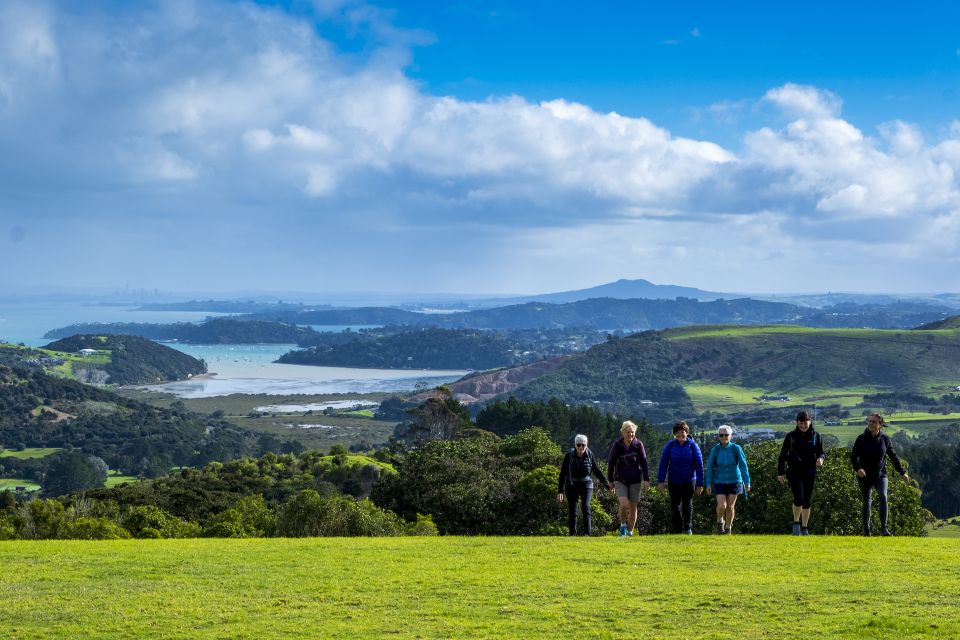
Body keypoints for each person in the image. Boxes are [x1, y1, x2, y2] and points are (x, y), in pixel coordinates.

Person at [851, 413, 909, 536]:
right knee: (867, 501)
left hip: (881, 475)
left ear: (880, 424)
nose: (870, 423)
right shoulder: (861, 439)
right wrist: (858, 469)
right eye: (869, 421)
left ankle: (884, 529)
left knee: (883, 497)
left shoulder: (885, 439)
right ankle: (866, 530)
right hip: (864, 475)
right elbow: (853, 457)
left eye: (874, 422)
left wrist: (902, 472)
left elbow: (893, 457)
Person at [777, 410, 825, 536]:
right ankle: (796, 523)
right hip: (794, 471)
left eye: (805, 423)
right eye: (800, 424)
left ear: (810, 422)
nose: (803, 426)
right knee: (799, 498)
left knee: (807, 500)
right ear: (797, 423)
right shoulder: (791, 436)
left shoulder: (816, 436)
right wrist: (780, 472)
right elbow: (782, 455)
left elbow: (821, 452)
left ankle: (804, 527)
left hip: (810, 472)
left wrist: (821, 459)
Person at [656, 420, 704, 534]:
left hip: (689, 481)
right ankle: (677, 530)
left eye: (682, 432)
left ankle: (687, 529)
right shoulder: (670, 445)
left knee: (687, 505)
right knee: (675, 507)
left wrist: (700, 484)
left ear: (687, 432)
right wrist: (660, 481)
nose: (680, 434)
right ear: (674, 434)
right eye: (677, 432)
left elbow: (699, 465)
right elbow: (663, 463)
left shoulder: (693, 446)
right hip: (673, 481)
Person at [557, 434, 608, 536]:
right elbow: (563, 474)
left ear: (586, 445)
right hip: (571, 484)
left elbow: (596, 471)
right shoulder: (569, 455)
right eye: (578, 444)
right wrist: (560, 492)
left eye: (583, 445)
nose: (581, 447)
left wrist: (607, 484)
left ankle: (587, 534)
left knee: (585, 506)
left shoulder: (589, 454)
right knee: (572, 509)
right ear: (575, 445)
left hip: (586, 484)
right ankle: (572, 534)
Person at [705, 425, 751, 534]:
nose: (724, 437)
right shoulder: (715, 450)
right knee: (722, 506)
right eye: (721, 435)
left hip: (735, 481)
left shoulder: (736, 448)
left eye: (726, 435)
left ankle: (728, 528)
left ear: (730, 436)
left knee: (730, 507)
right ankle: (720, 520)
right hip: (719, 481)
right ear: (718, 436)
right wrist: (708, 483)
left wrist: (747, 482)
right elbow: (710, 467)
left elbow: (743, 466)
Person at [607, 420, 650, 536]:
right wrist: (610, 481)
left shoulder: (638, 445)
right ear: (622, 433)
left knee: (633, 507)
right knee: (624, 504)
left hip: (635, 479)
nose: (630, 434)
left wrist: (646, 479)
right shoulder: (617, 445)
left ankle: (629, 532)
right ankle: (622, 526)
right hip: (620, 479)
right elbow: (611, 463)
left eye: (632, 432)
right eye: (628, 432)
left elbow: (644, 462)